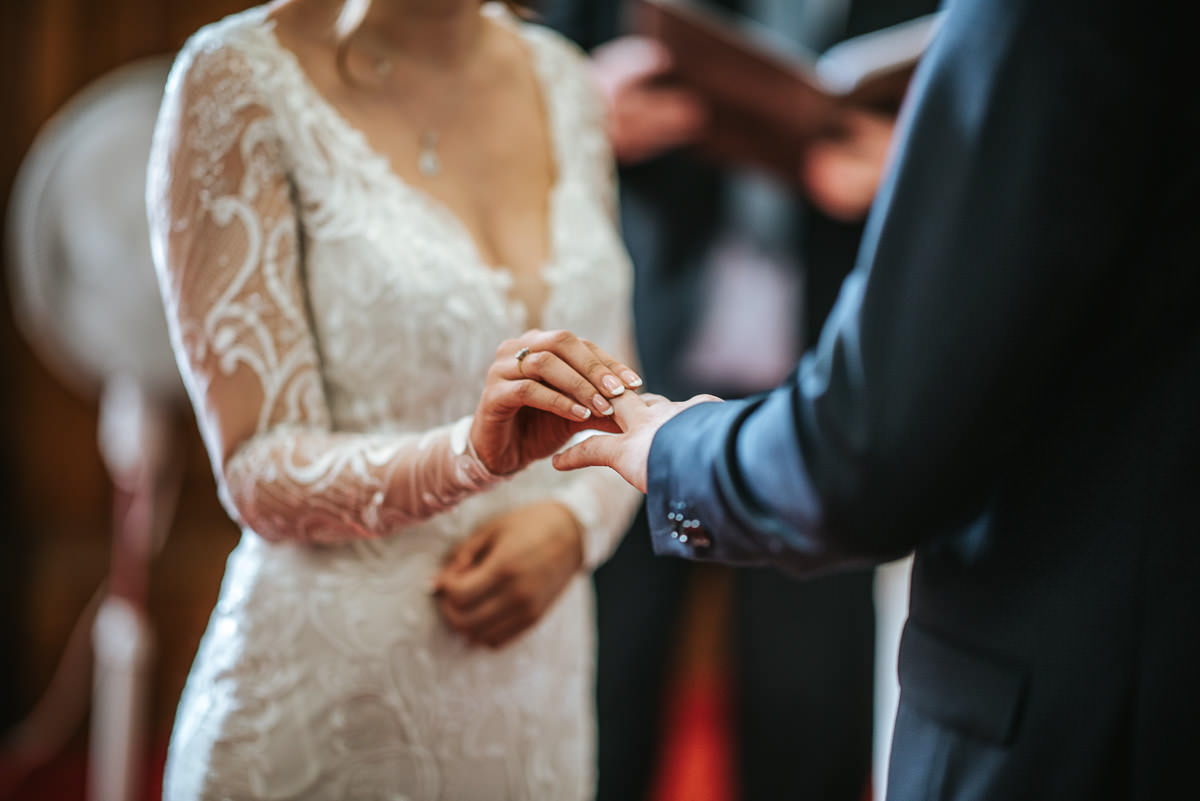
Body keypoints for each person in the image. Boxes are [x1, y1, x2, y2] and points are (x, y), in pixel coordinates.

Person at [553, 0, 1199, 798]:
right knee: (613, 698)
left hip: (1077, 706)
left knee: (806, 717)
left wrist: (673, 450)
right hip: (674, 334)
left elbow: (866, 463)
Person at [147, 0, 643, 798]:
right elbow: (255, 465)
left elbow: (620, 387)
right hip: (332, 705)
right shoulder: (239, 79)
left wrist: (573, 526)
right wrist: (469, 458)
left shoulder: (566, 80)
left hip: (531, 703)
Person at [541, 2, 935, 799]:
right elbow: (547, 61)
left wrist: (911, 163)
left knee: (807, 704)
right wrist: (584, 102)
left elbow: (968, 116)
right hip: (641, 366)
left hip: (823, 385)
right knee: (607, 683)